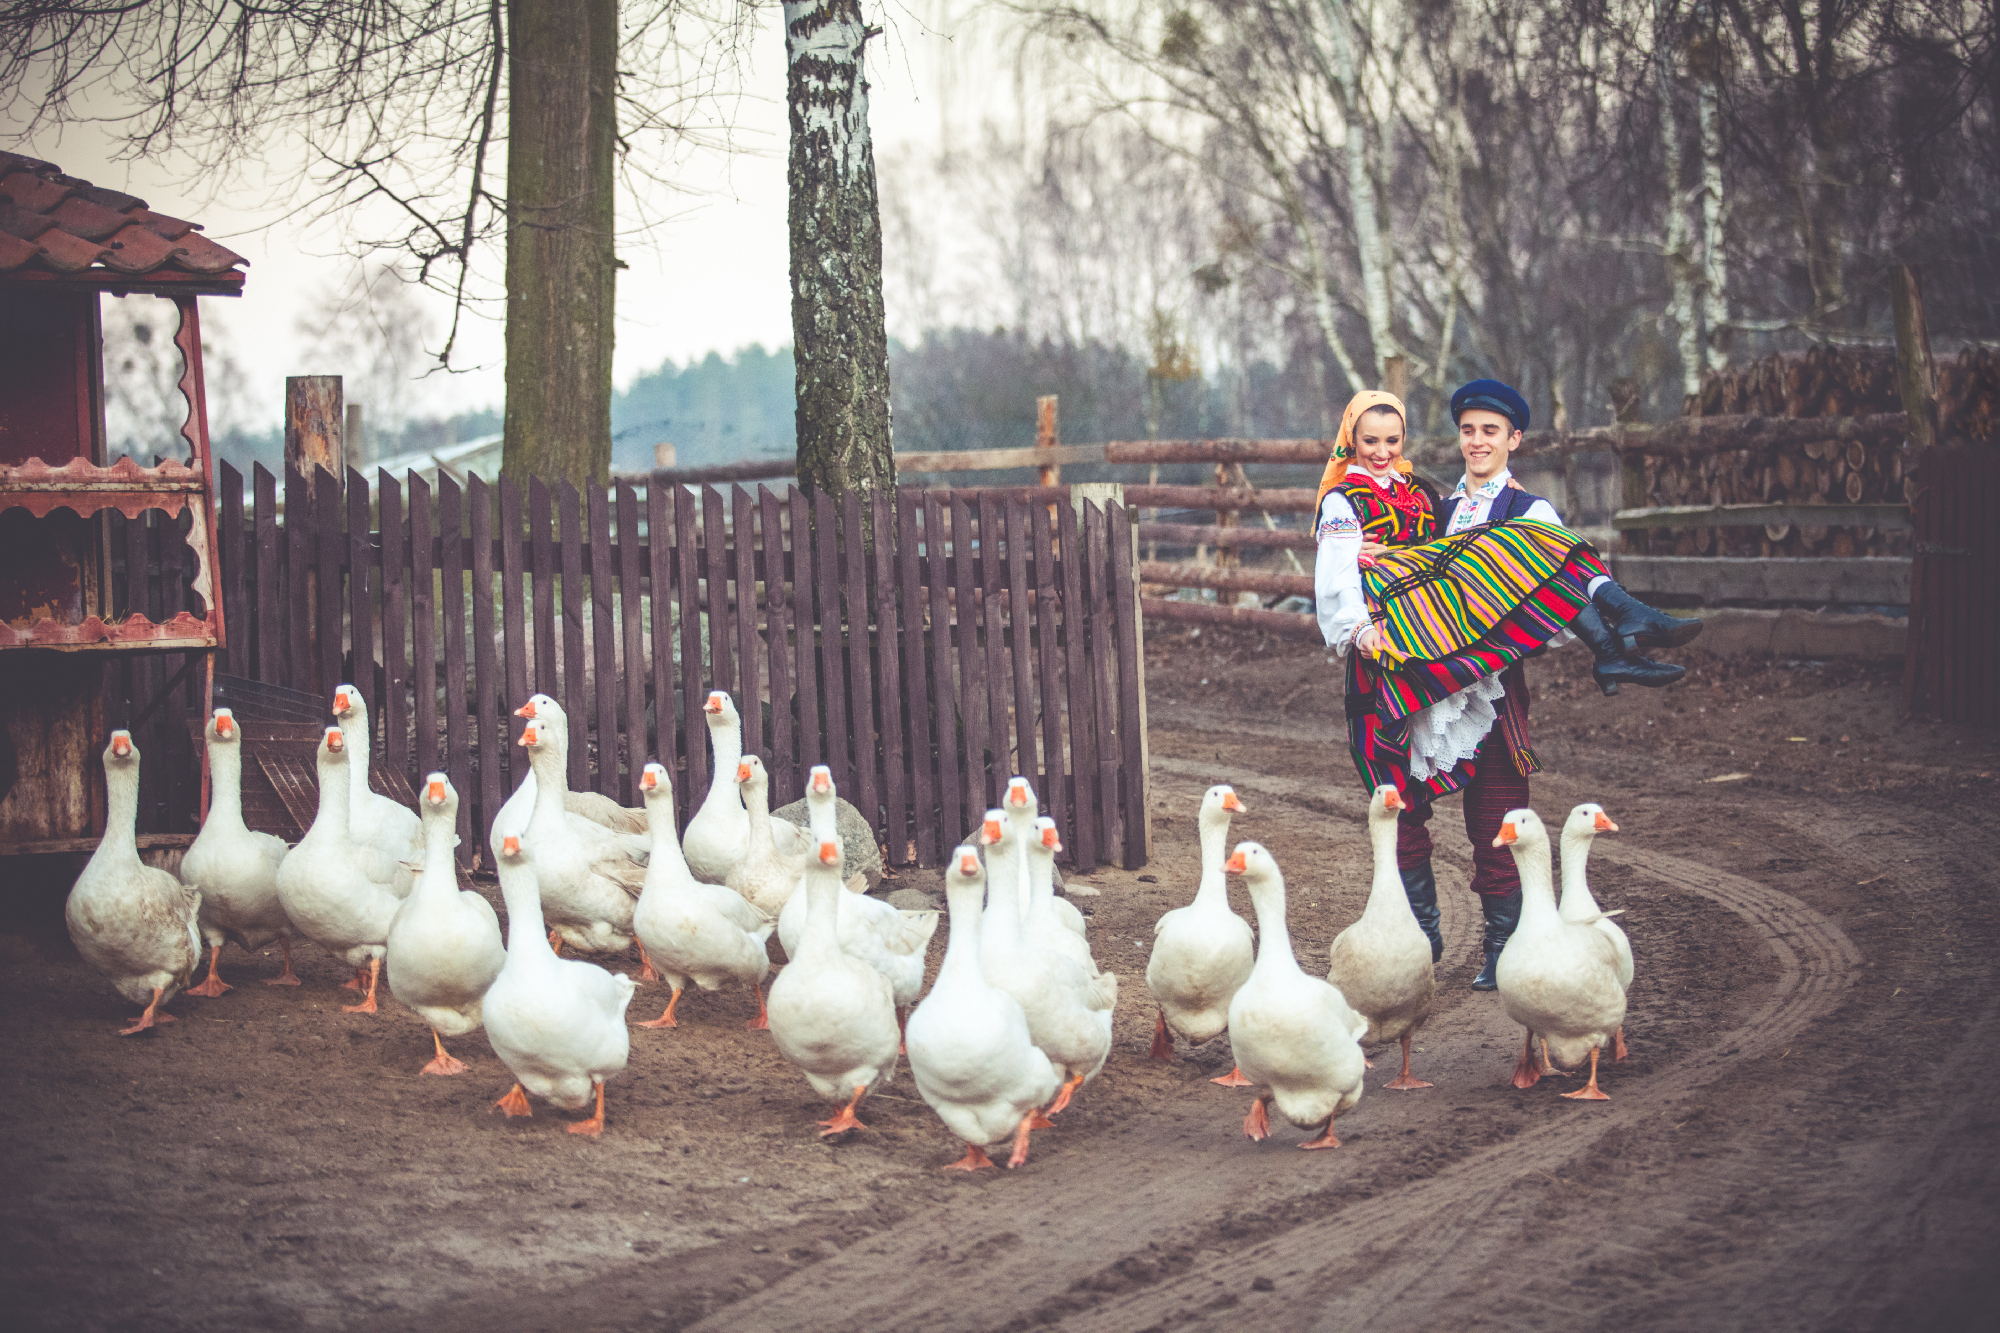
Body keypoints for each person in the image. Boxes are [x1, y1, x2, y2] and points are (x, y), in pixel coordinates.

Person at [1313, 382, 1699, 988]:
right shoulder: (1429, 505)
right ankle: (1419, 930)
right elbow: (1402, 563)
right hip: (1420, 677)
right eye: (1468, 430)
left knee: (1497, 817)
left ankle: (1503, 946)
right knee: (1400, 809)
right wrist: (1370, 556)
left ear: (1513, 439)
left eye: (1490, 431)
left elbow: (1550, 617)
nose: (1477, 442)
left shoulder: (1529, 511)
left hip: (1490, 688)